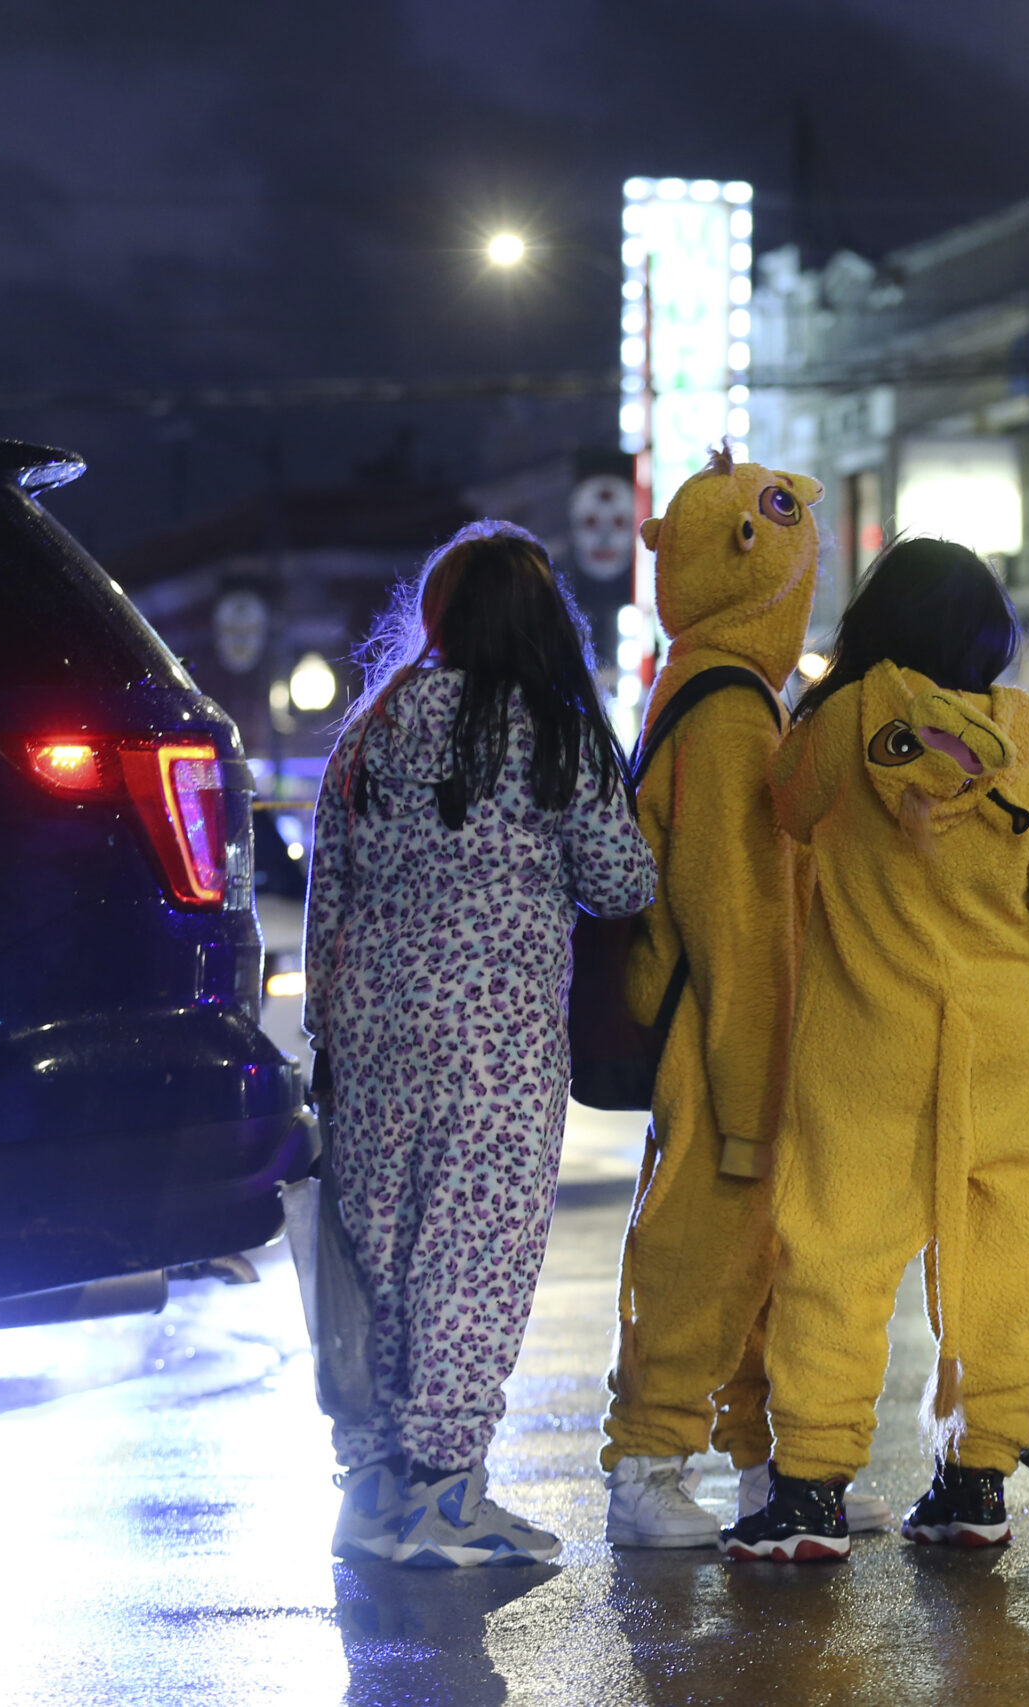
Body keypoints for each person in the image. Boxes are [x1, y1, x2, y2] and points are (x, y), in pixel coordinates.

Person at [721, 537, 1029, 1563]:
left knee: (835, 1264)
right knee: (1004, 1277)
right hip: (1010, 1048)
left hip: (867, 1047)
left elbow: (783, 807)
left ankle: (807, 1493)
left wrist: (851, 694)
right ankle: (975, 1482)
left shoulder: (842, 726)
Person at [304, 520, 655, 1568]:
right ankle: (443, 1495)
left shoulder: (372, 727)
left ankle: (371, 1492)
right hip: (493, 1050)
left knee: (377, 1255)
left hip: (370, 1036)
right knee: (475, 1256)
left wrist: (328, 1020)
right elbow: (624, 883)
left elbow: (331, 893)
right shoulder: (547, 734)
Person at [599, 449, 896, 1546]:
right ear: (764, 564)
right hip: (727, 1043)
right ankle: (648, 1463)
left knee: (759, 1257)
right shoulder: (726, 713)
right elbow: (739, 923)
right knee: (702, 1251)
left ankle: (764, 1466)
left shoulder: (717, 691)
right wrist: (744, 1094)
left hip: (732, 1037)